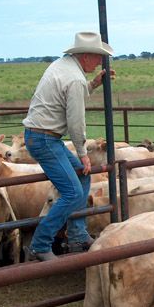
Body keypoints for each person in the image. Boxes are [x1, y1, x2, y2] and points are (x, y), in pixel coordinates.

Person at [22, 31, 115, 261]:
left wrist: (93, 84)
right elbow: (75, 120)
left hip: (43, 136)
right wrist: (83, 153)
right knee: (73, 191)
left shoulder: (63, 67)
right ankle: (41, 244)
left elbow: (71, 96)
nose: (99, 61)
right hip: (45, 139)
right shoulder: (73, 78)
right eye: (97, 57)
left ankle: (77, 235)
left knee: (83, 178)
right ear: (85, 56)